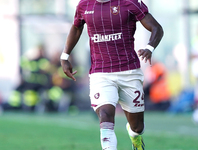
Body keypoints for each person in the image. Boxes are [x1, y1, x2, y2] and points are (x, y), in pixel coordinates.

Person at [61, 0, 163, 149]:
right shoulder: (84, 5)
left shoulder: (129, 2)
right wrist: (65, 56)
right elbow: (76, 27)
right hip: (101, 73)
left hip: (129, 72)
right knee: (106, 115)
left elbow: (157, 28)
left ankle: (134, 135)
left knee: (137, 126)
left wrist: (150, 48)